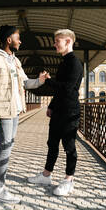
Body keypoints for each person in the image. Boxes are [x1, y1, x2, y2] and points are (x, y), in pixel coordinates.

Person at [0, 25, 46, 203]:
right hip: (2, 112)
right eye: (18, 38)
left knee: (6, 145)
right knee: (6, 146)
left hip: (15, 110)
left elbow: (25, 83)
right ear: (9, 40)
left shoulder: (15, 61)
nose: (20, 41)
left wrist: (39, 81)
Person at [28, 29, 83, 196]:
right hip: (59, 110)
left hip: (69, 111)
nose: (54, 44)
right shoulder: (64, 62)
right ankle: (46, 175)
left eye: (57, 40)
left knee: (69, 147)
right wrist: (51, 105)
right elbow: (60, 91)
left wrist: (49, 80)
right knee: (52, 144)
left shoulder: (74, 63)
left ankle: (69, 180)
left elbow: (67, 88)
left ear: (68, 41)